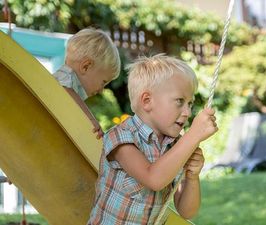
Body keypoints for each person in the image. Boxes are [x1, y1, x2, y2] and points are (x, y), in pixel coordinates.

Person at [88, 54, 218, 225]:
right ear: (147, 101)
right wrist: (193, 135)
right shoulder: (121, 137)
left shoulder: (176, 147)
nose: (187, 112)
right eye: (180, 101)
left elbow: (186, 211)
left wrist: (192, 177)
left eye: (190, 104)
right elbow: (154, 178)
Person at [53, 27, 121, 138]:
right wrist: (90, 120)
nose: (102, 89)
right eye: (103, 82)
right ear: (86, 66)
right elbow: (63, 90)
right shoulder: (66, 75)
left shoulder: (74, 87)